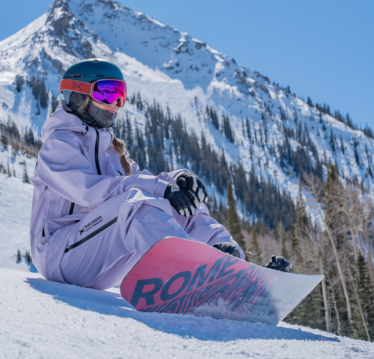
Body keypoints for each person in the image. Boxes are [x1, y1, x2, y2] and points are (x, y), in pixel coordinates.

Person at [30, 58, 291, 290]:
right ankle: (187, 273)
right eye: (107, 94)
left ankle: (234, 271)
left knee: (181, 205)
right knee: (135, 204)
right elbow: (91, 192)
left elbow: (139, 180)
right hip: (58, 255)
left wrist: (177, 181)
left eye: (120, 95)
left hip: (98, 259)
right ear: (78, 95)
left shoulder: (111, 150)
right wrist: (158, 188)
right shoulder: (59, 144)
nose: (115, 104)